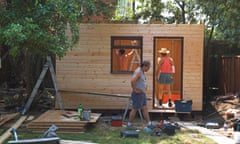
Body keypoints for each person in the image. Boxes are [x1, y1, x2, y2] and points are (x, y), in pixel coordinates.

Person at [127, 60, 152, 127]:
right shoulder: (138, 72)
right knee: (135, 109)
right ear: (145, 66)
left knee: (145, 108)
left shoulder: (142, 72)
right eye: (148, 67)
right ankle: (129, 124)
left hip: (142, 93)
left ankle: (149, 123)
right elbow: (132, 80)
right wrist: (135, 89)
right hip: (138, 94)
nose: (149, 69)